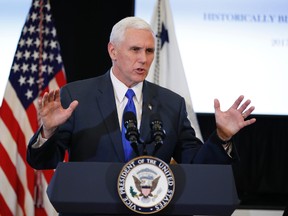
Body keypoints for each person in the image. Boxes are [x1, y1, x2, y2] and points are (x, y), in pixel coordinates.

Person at [26, 16, 256, 170]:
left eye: (149, 51)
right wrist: (48, 131)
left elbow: (196, 165)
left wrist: (222, 137)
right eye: (135, 49)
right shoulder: (76, 96)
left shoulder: (172, 104)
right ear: (113, 51)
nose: (144, 59)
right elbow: (43, 162)